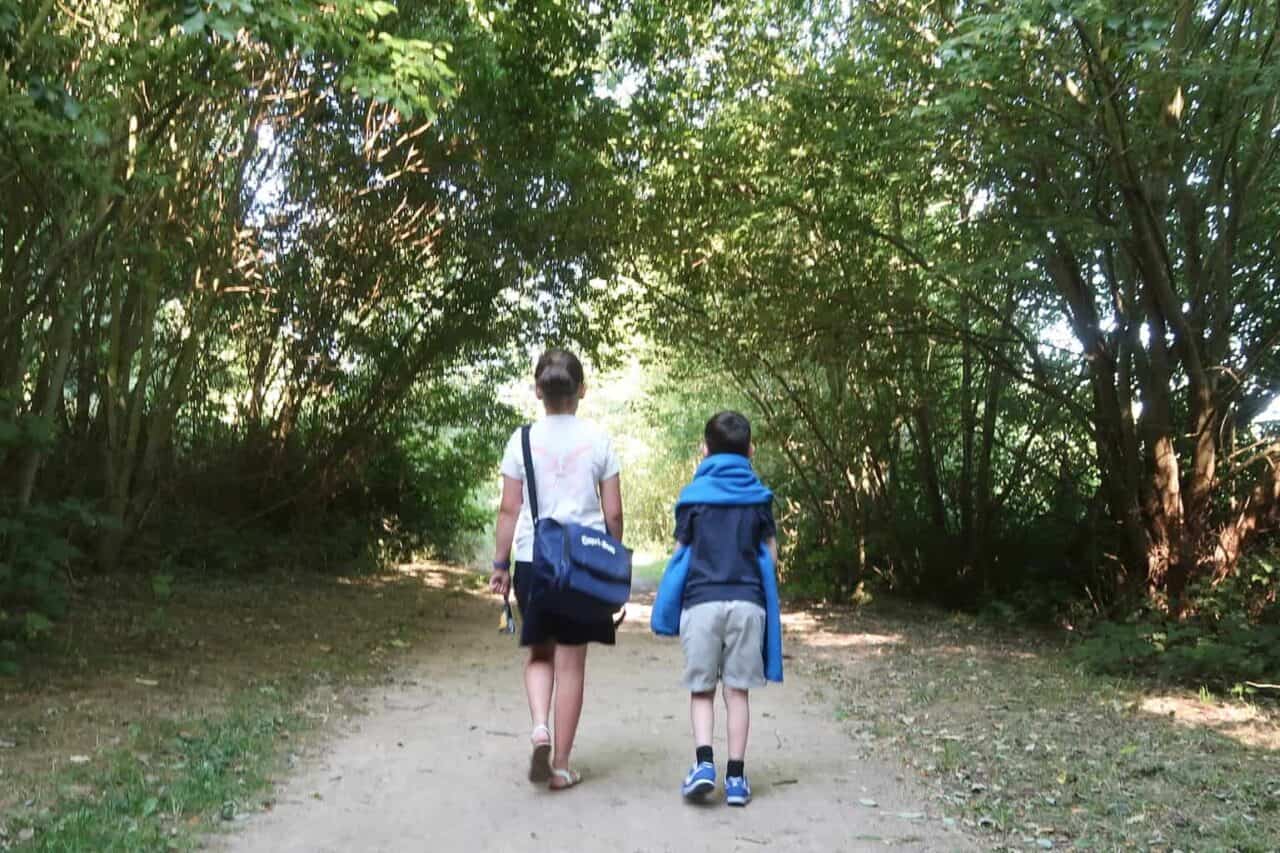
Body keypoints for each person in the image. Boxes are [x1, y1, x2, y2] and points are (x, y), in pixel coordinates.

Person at [489, 349, 623, 791]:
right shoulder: (600, 441)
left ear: (538, 391)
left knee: (539, 653)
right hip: (582, 563)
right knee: (572, 664)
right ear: (581, 390)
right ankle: (561, 766)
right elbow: (614, 514)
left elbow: (510, 509)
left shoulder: (521, 440)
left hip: (533, 559)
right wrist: (613, 565)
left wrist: (500, 565)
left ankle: (539, 726)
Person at [651, 411, 783, 807]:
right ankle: (738, 779)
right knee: (737, 691)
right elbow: (771, 558)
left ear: (704, 451)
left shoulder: (692, 499)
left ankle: (705, 763)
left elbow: (681, 555)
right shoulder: (759, 498)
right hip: (748, 605)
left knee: (702, 690)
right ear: (751, 451)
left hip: (702, 604)